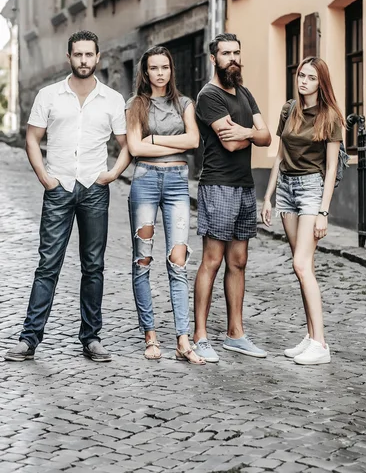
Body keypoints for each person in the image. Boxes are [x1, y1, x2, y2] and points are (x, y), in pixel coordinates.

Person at [4, 30, 131, 363]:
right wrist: (46, 178)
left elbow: (126, 143)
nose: (84, 60)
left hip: (94, 189)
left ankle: (91, 338)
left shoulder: (113, 99)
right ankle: (29, 339)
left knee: (93, 267)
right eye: (78, 55)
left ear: (98, 57)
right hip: (59, 189)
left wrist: (112, 174)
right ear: (69, 57)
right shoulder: (49, 95)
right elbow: (32, 139)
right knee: (48, 265)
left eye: (90, 55)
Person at [193, 33, 271, 363]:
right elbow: (229, 143)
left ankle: (235, 334)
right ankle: (200, 336)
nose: (232, 58)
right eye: (226, 53)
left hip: (244, 185)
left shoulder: (244, 92)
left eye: (237, 52)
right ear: (214, 59)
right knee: (212, 260)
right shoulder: (208, 95)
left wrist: (248, 134)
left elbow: (266, 137)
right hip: (218, 185)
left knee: (238, 261)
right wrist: (251, 135)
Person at [261, 56, 345, 365]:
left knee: (301, 264)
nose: (303, 81)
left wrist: (324, 212)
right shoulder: (289, 110)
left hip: (312, 190)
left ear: (320, 82)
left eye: (310, 77)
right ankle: (310, 337)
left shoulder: (330, 117)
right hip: (286, 190)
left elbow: (332, 168)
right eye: (300, 75)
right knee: (302, 267)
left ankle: (321, 344)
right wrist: (268, 197)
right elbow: (280, 155)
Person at [126, 46, 205, 365]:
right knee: (142, 259)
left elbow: (194, 141)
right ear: (145, 73)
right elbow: (133, 147)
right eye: (153, 68)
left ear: (171, 70)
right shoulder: (135, 104)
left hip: (176, 183)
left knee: (178, 261)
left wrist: (155, 140)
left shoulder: (184, 103)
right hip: (144, 180)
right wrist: (168, 143)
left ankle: (183, 340)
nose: (160, 73)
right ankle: (150, 336)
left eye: (165, 67)